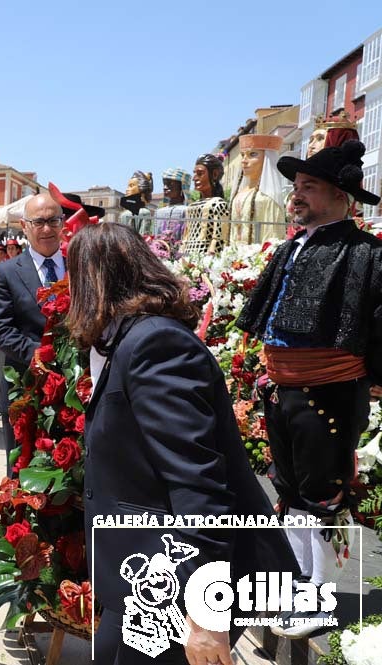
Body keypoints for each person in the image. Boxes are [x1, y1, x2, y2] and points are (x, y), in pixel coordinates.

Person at [67, 222, 297, 665]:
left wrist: (206, 613)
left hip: (177, 581)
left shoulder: (155, 344)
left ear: (93, 280)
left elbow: (198, 483)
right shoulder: (127, 340)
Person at [236, 140, 382, 638]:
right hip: (283, 388)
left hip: (330, 392)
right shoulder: (292, 246)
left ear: (342, 197)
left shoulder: (366, 254)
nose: (296, 196)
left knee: (321, 495)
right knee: (290, 490)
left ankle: (319, 597)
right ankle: (299, 584)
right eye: (296, 187)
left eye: (309, 187)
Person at [0, 192, 66, 473]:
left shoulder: (80, 268)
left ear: (63, 224)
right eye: (39, 222)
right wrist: (38, 354)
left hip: (73, 389)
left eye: (53, 221)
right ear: (25, 226)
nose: (47, 229)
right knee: (23, 468)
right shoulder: (6, 272)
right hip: (24, 385)